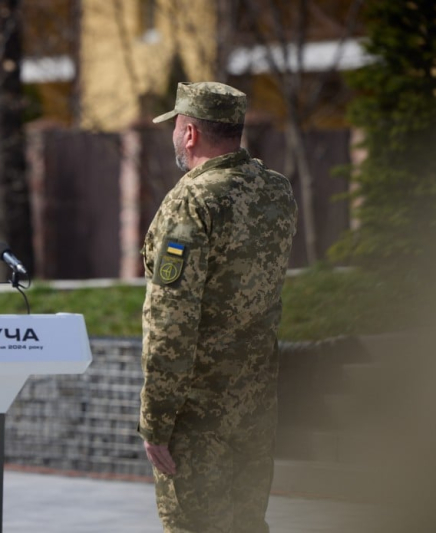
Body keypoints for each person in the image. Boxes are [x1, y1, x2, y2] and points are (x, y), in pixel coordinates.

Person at [138, 82, 297, 533]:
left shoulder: (192, 200)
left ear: (190, 133)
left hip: (197, 417)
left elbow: (171, 321)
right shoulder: (276, 191)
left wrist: (156, 421)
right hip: (254, 408)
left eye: (175, 127)